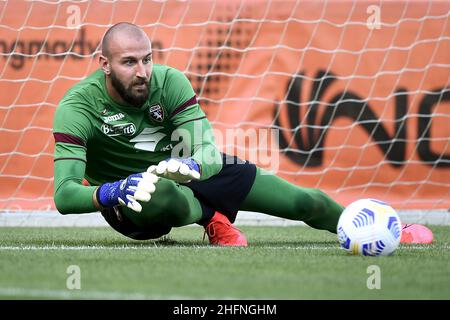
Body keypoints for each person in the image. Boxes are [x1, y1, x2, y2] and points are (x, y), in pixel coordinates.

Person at [53, 22, 344, 246]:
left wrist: (192, 166)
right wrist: (112, 191)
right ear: (105, 64)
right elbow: (64, 195)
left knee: (306, 202)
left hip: (185, 171)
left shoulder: (170, 83)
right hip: (132, 202)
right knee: (161, 189)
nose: (143, 72)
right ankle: (211, 216)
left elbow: (207, 150)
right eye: (129, 62)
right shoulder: (77, 107)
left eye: (147, 59)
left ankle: (360, 226)